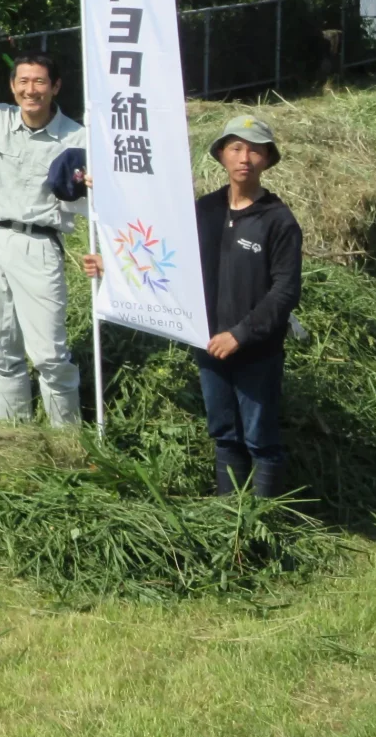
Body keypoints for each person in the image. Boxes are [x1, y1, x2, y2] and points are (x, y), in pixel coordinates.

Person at [89, 117, 303, 496]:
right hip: (206, 342)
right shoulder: (203, 210)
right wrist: (115, 269)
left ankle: (266, 523)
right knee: (224, 435)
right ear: (221, 154)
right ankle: (229, 520)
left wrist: (240, 334)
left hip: (256, 349)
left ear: (268, 159)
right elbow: (170, 263)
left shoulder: (278, 220)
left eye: (255, 149)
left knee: (260, 439)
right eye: (235, 147)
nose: (245, 158)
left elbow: (284, 292)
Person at [0, 49, 87, 427]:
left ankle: (67, 441)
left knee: (49, 355)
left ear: (55, 86)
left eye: (40, 81)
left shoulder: (77, 137)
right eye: (23, 81)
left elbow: (96, 201)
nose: (31, 90)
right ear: (12, 87)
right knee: (0, 350)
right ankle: (14, 440)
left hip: (39, 246)